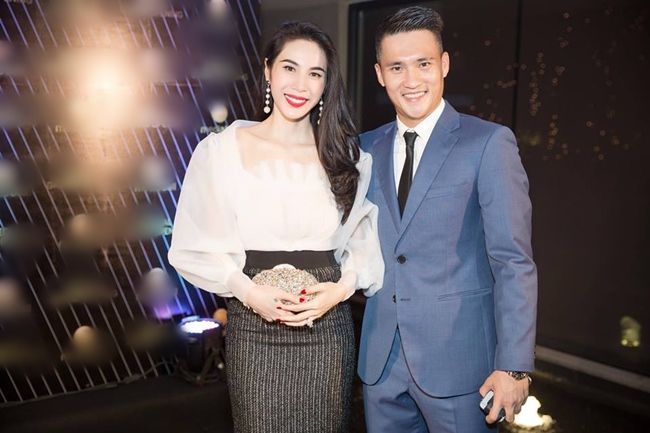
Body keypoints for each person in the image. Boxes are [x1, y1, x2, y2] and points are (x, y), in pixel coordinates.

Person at [168, 21, 384, 433]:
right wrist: (249, 293)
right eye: (289, 68)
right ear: (268, 70)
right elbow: (195, 244)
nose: (300, 84)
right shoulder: (222, 152)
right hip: (255, 325)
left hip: (327, 328)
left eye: (315, 73)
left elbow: (361, 234)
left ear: (326, 85)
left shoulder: (346, 156)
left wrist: (341, 289)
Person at [357, 6, 538, 433]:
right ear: (380, 74)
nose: (411, 80)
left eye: (423, 64)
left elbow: (512, 260)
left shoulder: (488, 143)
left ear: (444, 64)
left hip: (461, 367)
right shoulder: (362, 149)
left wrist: (514, 366)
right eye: (396, 67)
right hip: (381, 365)